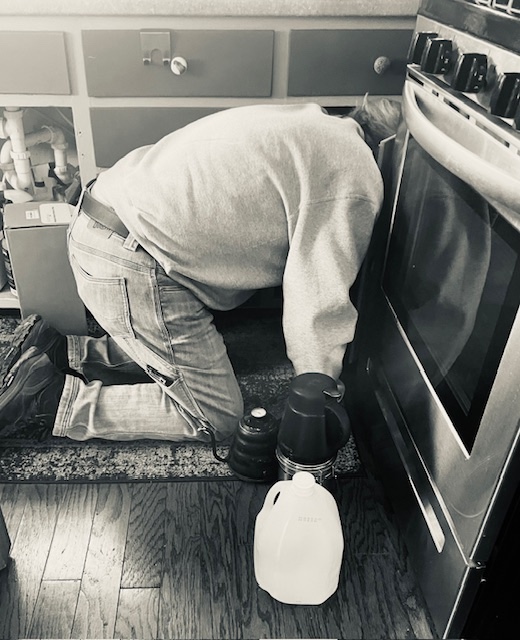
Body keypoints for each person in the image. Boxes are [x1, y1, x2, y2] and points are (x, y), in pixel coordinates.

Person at [0, 99, 401, 444]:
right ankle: (50, 399)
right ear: (390, 151)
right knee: (216, 415)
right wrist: (317, 392)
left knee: (194, 355)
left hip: (100, 225)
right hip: (132, 262)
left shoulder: (317, 123)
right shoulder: (354, 171)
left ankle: (64, 352)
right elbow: (316, 298)